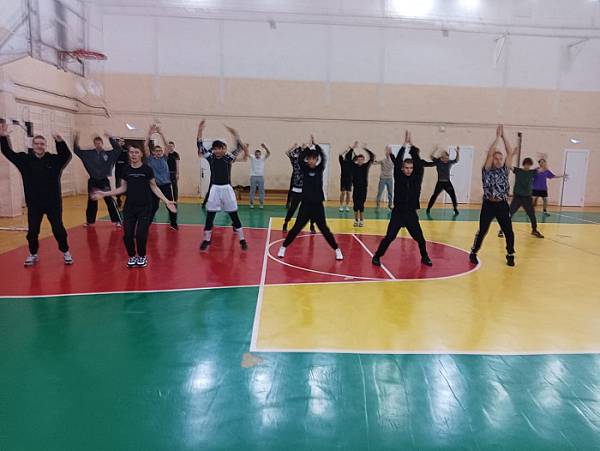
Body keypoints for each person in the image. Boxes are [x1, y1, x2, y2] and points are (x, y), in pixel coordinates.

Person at [0, 121, 73, 266]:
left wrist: (59, 141)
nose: (39, 146)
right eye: (37, 144)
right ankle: (33, 253)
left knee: (58, 229)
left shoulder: (54, 160)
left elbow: (67, 156)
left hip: (53, 204)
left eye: (42, 144)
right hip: (34, 204)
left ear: (45, 146)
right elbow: (8, 153)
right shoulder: (25, 160)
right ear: (32, 145)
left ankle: (65, 251)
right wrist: (3, 137)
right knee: (32, 232)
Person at [91, 145, 177, 268]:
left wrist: (166, 201)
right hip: (130, 208)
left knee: (141, 235)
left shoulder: (147, 170)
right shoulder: (126, 170)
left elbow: (154, 186)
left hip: (145, 207)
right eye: (131, 152)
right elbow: (122, 188)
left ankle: (142, 256)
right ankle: (132, 256)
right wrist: (105, 193)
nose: (134, 155)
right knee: (128, 235)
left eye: (136, 152)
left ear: (141, 154)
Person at [372, 131, 432, 267]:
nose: (409, 170)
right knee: (390, 237)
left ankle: (425, 257)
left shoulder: (417, 177)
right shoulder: (398, 176)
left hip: (411, 213)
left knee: (420, 238)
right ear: (402, 168)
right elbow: (398, 160)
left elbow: (417, 162)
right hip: (398, 213)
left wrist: (412, 146)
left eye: (411, 168)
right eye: (406, 168)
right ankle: (377, 256)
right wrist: (404, 145)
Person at [277, 137, 343, 261]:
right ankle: (283, 247)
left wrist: (316, 145)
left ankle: (336, 249)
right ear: (308, 160)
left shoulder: (319, 169)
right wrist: (307, 148)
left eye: (314, 159)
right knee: (296, 228)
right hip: (305, 205)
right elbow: (300, 159)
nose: (311, 160)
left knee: (324, 229)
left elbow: (324, 157)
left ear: (316, 160)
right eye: (310, 158)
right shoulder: (304, 168)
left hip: (317, 205)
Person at [197, 120, 249, 250]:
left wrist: (236, 135)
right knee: (210, 216)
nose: (217, 150)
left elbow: (240, 148)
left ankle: (242, 239)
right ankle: (206, 240)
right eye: (215, 148)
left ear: (223, 149)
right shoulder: (210, 158)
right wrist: (200, 130)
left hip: (227, 188)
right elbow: (199, 145)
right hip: (215, 189)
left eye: (220, 148)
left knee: (234, 215)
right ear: (213, 150)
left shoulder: (228, 157)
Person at [469, 125, 516, 267]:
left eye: (500, 159)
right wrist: (497, 138)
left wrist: (503, 136)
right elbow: (489, 154)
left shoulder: (505, 170)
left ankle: (510, 254)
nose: (499, 161)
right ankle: (473, 252)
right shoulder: (487, 170)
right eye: (496, 158)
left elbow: (510, 152)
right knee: (483, 230)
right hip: (488, 205)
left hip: (502, 205)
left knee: (508, 231)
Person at [74, 131, 122, 226]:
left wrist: (110, 138)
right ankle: (90, 221)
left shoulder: (108, 154)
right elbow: (77, 151)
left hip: (104, 180)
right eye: (96, 143)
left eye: (99, 143)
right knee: (92, 201)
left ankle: (117, 220)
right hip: (93, 180)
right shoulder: (89, 154)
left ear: (102, 143)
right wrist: (76, 139)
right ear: (94, 144)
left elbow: (118, 149)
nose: (98, 145)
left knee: (109, 200)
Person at [499, 156, 544, 239]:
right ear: (524, 164)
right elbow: (508, 165)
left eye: (529, 165)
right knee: (509, 213)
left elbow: (543, 169)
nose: (527, 166)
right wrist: (511, 154)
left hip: (527, 198)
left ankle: (534, 230)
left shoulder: (532, 172)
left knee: (532, 215)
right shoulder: (518, 171)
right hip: (517, 197)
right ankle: (502, 230)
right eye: (526, 164)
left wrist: (542, 161)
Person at [144, 124, 178, 230]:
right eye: (156, 151)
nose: (158, 152)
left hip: (166, 186)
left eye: (160, 151)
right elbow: (145, 146)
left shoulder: (164, 158)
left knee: (171, 205)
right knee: (153, 207)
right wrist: (150, 133)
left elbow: (167, 146)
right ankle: (146, 226)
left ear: (162, 152)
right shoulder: (150, 159)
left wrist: (161, 133)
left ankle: (173, 224)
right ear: (153, 152)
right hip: (155, 187)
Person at [283, 143, 316, 233]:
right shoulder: (295, 161)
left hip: (306, 189)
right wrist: (294, 146)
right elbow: (287, 152)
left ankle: (312, 225)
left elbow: (314, 155)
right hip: (297, 189)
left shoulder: (308, 162)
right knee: (292, 208)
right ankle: (286, 222)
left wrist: (310, 145)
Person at [424, 146, 460, 215]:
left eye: (447, 158)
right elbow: (431, 156)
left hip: (447, 183)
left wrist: (457, 152)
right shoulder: (438, 162)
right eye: (445, 158)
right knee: (434, 196)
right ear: (442, 158)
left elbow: (456, 160)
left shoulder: (449, 162)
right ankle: (428, 208)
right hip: (440, 183)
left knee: (453, 195)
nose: (447, 159)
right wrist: (435, 149)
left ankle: (455, 208)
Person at [349, 145, 375, 226]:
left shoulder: (365, 166)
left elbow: (372, 157)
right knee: (355, 205)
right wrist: (352, 149)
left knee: (361, 205)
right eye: (358, 159)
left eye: (361, 159)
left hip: (363, 188)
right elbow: (348, 158)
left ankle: (361, 221)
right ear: (357, 160)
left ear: (363, 160)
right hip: (356, 188)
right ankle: (356, 220)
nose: (360, 161)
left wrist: (366, 149)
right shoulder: (353, 166)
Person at [249, 143, 270, 208]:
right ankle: (251, 203)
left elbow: (268, 153)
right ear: (255, 154)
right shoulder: (252, 157)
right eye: (256, 154)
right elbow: (247, 154)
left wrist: (265, 147)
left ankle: (261, 204)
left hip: (261, 177)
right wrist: (246, 147)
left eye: (258, 154)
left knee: (261, 191)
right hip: (253, 176)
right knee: (252, 190)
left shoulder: (263, 158)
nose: (257, 155)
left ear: (260, 154)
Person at [374, 145, 394, 209]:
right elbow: (375, 163)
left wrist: (390, 150)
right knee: (380, 192)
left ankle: (390, 205)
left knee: (390, 193)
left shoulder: (393, 161)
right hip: (383, 178)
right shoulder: (382, 160)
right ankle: (378, 204)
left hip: (390, 179)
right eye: (386, 153)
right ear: (385, 154)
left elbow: (399, 164)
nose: (387, 154)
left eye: (389, 153)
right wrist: (372, 159)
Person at [338, 144, 354, 212]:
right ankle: (341, 205)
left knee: (348, 193)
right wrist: (346, 150)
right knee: (343, 192)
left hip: (350, 179)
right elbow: (340, 154)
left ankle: (347, 206)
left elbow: (356, 157)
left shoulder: (352, 162)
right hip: (343, 179)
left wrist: (352, 148)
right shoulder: (342, 162)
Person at [114, 138, 129, 209]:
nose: (121, 142)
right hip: (118, 171)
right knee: (118, 186)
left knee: (126, 186)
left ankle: (127, 202)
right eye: (120, 141)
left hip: (125, 171)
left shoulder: (127, 150)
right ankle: (118, 200)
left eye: (123, 141)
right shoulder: (115, 149)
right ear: (118, 142)